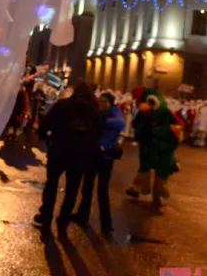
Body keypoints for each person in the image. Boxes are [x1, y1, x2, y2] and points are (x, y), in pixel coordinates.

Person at [35, 82, 103, 241]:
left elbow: (46, 123)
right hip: (80, 154)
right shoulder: (94, 111)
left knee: (51, 183)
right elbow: (98, 132)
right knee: (72, 188)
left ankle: (46, 214)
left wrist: (46, 136)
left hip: (60, 149)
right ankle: (64, 217)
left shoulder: (62, 105)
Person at [72, 92, 125, 237]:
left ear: (111, 103)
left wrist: (100, 123)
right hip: (94, 155)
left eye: (105, 102)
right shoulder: (100, 114)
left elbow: (120, 124)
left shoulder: (114, 115)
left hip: (105, 158)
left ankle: (106, 225)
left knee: (102, 191)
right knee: (87, 186)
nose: (102, 104)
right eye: (100, 101)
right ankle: (82, 216)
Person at [125, 87, 183, 210]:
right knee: (144, 168)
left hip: (162, 148)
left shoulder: (165, 114)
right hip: (147, 146)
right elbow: (137, 124)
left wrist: (158, 131)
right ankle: (136, 188)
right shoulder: (143, 114)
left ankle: (159, 197)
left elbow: (176, 131)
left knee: (161, 173)